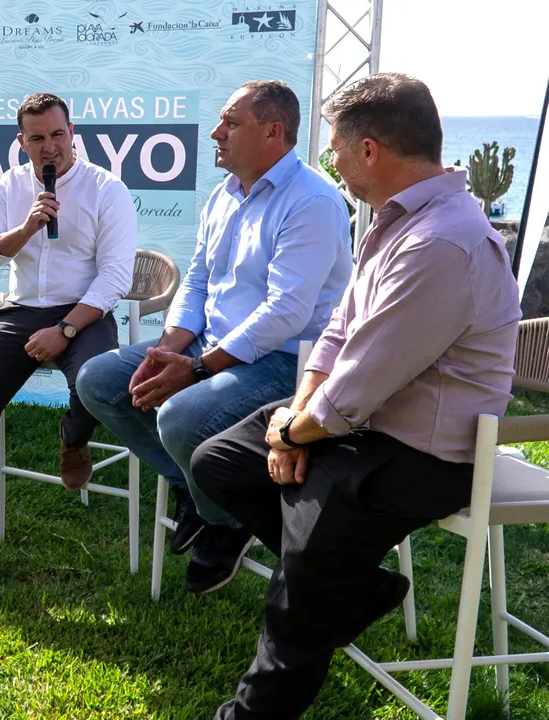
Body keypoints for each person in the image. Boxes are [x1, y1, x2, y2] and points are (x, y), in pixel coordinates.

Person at [190, 73, 522, 719]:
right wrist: (296, 415)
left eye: (336, 148)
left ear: (369, 149)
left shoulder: (440, 241)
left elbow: (357, 390)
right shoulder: (402, 219)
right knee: (220, 463)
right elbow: (339, 332)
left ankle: (259, 697)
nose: (331, 161)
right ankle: (359, 588)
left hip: (424, 454)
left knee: (303, 577)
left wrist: (295, 431)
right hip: (361, 423)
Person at [76, 81, 352, 594]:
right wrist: (171, 348)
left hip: (287, 363)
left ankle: (226, 521)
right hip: (213, 347)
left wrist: (200, 369)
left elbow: (286, 312)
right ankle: (204, 492)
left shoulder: (313, 201)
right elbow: (199, 280)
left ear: (273, 132)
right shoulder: (224, 194)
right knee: (98, 380)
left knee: (180, 417)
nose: (216, 133)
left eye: (230, 122)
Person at [0, 93, 137, 579]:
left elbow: (116, 277)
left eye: (58, 135)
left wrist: (65, 328)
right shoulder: (10, 185)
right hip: (18, 313)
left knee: (96, 382)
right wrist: (25, 228)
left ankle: (73, 438)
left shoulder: (107, 188)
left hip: (84, 310)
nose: (49, 147)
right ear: (22, 143)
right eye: (37, 138)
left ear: (72, 133)